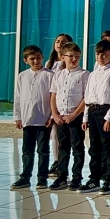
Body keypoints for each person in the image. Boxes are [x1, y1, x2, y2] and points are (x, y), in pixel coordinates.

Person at [80, 40, 110, 195]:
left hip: (106, 111)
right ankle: (94, 179)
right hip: (93, 111)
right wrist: (85, 118)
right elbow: (88, 98)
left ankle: (109, 178)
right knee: (94, 147)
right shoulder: (92, 74)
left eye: (104, 54)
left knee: (109, 147)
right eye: (98, 54)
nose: (101, 57)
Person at [11, 45, 54, 190]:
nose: (36, 61)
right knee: (27, 150)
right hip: (27, 119)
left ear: (42, 57)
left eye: (38, 58)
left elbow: (54, 97)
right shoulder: (22, 76)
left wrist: (52, 116)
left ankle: (42, 178)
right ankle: (25, 177)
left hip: (43, 119)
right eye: (32, 59)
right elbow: (18, 97)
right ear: (26, 60)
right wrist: (18, 116)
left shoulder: (49, 75)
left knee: (43, 150)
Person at [48, 42, 89, 191]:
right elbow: (53, 96)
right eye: (71, 56)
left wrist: (74, 115)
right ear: (63, 57)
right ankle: (62, 176)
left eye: (77, 56)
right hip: (61, 116)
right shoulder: (58, 75)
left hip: (75, 116)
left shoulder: (84, 74)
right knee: (63, 147)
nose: (74, 59)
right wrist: (55, 114)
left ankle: (77, 177)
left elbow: (86, 98)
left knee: (77, 147)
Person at [46, 32, 74, 178]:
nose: (59, 44)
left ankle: (61, 163)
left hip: (62, 104)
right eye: (57, 41)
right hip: (50, 102)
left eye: (63, 42)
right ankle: (55, 160)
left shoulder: (68, 64)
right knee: (53, 135)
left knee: (60, 135)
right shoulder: (49, 63)